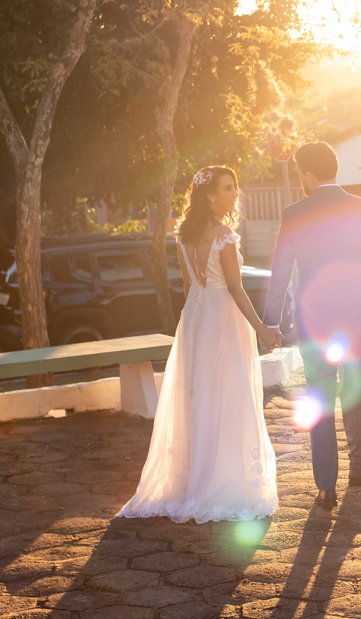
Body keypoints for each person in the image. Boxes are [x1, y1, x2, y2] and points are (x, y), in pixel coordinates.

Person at [117, 166, 283, 523]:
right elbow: (236, 288)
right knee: (227, 393)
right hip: (223, 318)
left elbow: (189, 287)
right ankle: (219, 482)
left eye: (234, 187)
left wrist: (194, 321)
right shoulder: (224, 235)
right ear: (209, 196)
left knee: (198, 395)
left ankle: (192, 480)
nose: (234, 194)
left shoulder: (183, 235)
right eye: (227, 188)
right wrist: (262, 329)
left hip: (194, 319)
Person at [264, 142, 361, 511]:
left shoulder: (294, 212)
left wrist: (271, 322)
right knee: (355, 390)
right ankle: (359, 466)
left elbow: (281, 273)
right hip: (357, 319)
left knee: (320, 397)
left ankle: (325, 486)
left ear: (307, 175)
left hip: (314, 323)